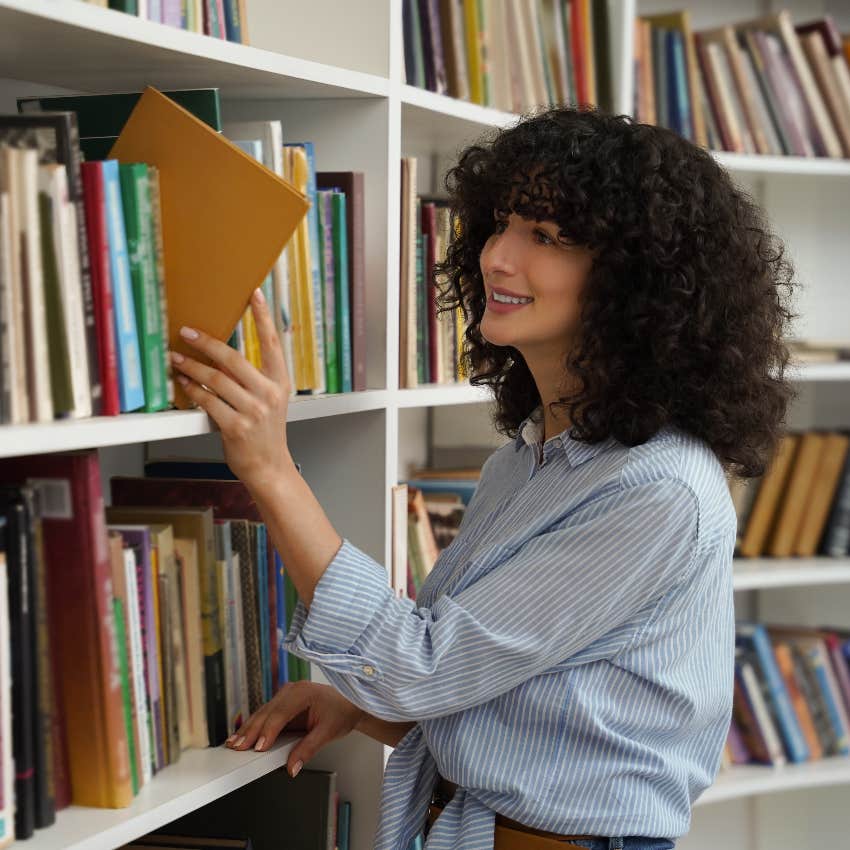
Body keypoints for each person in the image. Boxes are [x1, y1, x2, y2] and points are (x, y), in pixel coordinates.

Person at [169, 106, 795, 850]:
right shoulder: (527, 461)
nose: (497, 256)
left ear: (636, 282)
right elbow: (499, 692)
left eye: (547, 238)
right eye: (502, 222)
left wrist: (269, 468)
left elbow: (419, 667)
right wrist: (364, 710)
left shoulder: (656, 491)